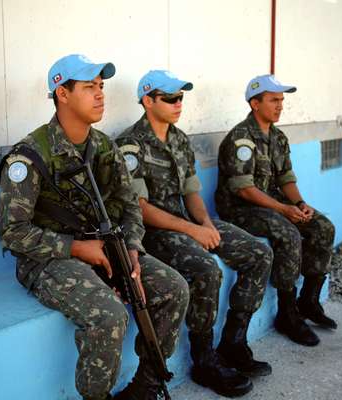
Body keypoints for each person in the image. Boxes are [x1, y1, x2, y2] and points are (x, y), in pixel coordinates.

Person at [0, 55, 189, 400]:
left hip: (104, 249)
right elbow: (12, 232)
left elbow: (130, 207)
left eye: (101, 86)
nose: (100, 94)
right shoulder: (29, 156)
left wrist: (132, 250)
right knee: (109, 316)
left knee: (174, 288)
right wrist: (75, 248)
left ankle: (145, 388)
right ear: (62, 94)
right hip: (48, 259)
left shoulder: (103, 147)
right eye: (89, 87)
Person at [115, 70, 273, 397]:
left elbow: (192, 193)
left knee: (259, 254)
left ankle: (233, 342)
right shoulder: (129, 146)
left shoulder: (179, 139)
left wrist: (207, 225)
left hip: (187, 221)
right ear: (148, 101)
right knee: (207, 270)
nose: (178, 104)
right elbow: (140, 207)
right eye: (170, 98)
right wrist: (191, 229)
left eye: (181, 97)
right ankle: (204, 358)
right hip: (154, 232)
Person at [215, 74, 337, 347]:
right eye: (273, 100)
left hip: (271, 204)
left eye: (282, 100)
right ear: (255, 103)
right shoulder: (241, 139)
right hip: (240, 209)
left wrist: (300, 204)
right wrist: (284, 209)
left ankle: (309, 301)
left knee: (322, 226)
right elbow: (244, 189)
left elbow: (285, 178)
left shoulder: (278, 137)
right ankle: (287, 312)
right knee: (288, 232)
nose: (280, 105)